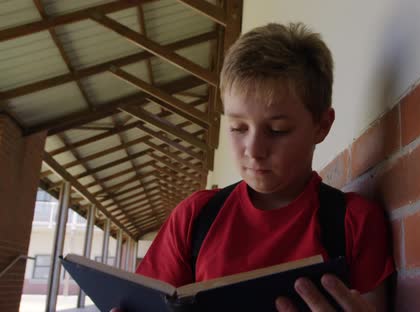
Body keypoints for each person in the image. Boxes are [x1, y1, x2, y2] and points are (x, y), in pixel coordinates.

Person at [113, 22, 393, 311]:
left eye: (278, 130)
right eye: (238, 127)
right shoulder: (194, 218)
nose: (254, 150)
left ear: (321, 126)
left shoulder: (354, 224)